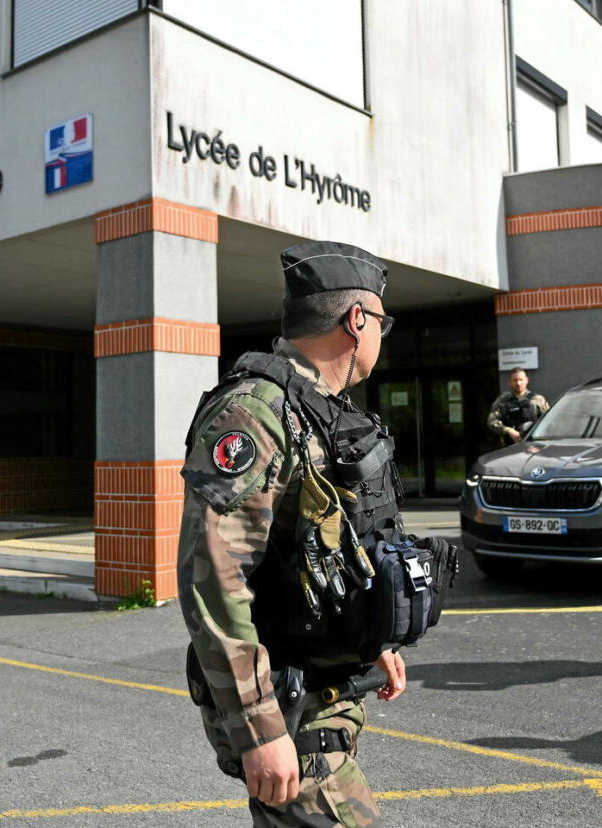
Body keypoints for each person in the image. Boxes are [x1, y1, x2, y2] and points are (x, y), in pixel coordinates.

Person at [178, 240, 454, 826]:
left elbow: (324, 543)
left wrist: (370, 639)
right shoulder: (254, 414)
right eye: (382, 320)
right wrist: (259, 730)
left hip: (323, 686)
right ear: (357, 321)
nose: (384, 333)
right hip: (287, 704)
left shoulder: (320, 411)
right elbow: (212, 576)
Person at [486, 368, 549, 445]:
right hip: (510, 447)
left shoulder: (537, 400)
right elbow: (492, 421)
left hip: (533, 446)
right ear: (510, 382)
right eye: (515, 380)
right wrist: (508, 430)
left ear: (526, 380)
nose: (518, 383)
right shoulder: (503, 401)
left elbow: (548, 422)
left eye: (521, 380)